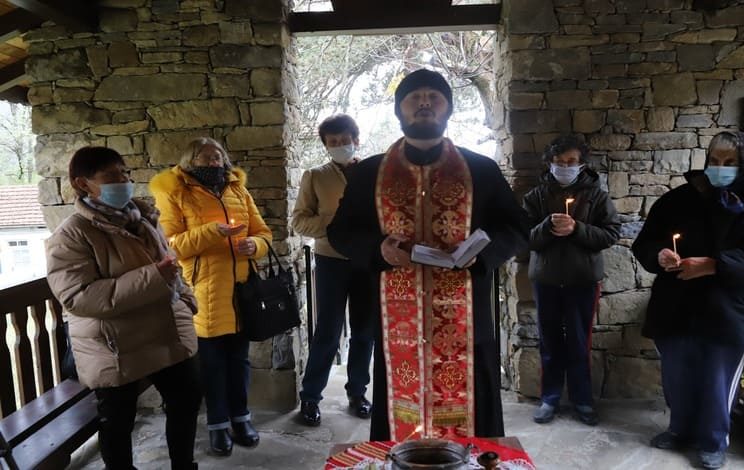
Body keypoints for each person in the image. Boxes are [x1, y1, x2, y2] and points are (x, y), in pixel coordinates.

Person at [327, 69, 530, 441]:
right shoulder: (370, 172)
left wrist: (480, 255)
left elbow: (516, 228)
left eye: (433, 97)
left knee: (475, 423)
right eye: (414, 97)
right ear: (399, 109)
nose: (424, 103)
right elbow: (340, 231)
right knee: (398, 414)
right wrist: (378, 249)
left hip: (466, 318)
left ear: (448, 108)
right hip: (398, 320)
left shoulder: (480, 169)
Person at [632, 131, 744, 470]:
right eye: (714, 160)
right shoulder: (680, 199)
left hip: (732, 308)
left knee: (717, 378)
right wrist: (661, 256)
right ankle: (680, 429)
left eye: (730, 163)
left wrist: (717, 265)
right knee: (677, 373)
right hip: (678, 302)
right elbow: (646, 242)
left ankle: (713, 441)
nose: (720, 168)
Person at [46, 146, 201, 470]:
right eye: (112, 175)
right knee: (117, 422)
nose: (124, 180)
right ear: (83, 183)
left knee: (186, 400)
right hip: (113, 344)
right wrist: (152, 277)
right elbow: (78, 296)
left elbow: (169, 264)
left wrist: (186, 300)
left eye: (125, 173)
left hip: (163, 330)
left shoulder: (143, 218)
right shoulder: (72, 235)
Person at [149, 137, 273, 457]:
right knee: (212, 365)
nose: (214, 161)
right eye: (205, 157)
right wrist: (212, 232)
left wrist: (254, 246)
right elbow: (171, 245)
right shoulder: (175, 192)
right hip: (203, 290)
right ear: (190, 161)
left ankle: (241, 418)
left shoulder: (237, 190)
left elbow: (262, 233)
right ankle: (217, 425)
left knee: (239, 361)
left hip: (240, 291)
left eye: (218, 156)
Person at [523, 135, 619, 426]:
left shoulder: (597, 196)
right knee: (549, 342)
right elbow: (524, 238)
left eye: (571, 162)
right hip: (547, 280)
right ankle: (549, 399)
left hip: (582, 280)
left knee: (579, 342)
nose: (565, 166)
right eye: (559, 162)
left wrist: (577, 229)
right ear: (550, 163)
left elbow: (611, 234)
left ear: (581, 164)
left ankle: (582, 400)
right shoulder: (535, 197)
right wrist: (547, 227)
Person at [292, 114, 374, 426]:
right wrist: (334, 222)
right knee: (327, 331)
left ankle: (358, 392)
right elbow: (299, 220)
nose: (340, 146)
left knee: (365, 332)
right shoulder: (315, 176)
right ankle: (310, 398)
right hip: (330, 260)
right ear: (326, 145)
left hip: (367, 261)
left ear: (356, 138)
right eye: (333, 142)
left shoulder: (372, 172)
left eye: (345, 140)